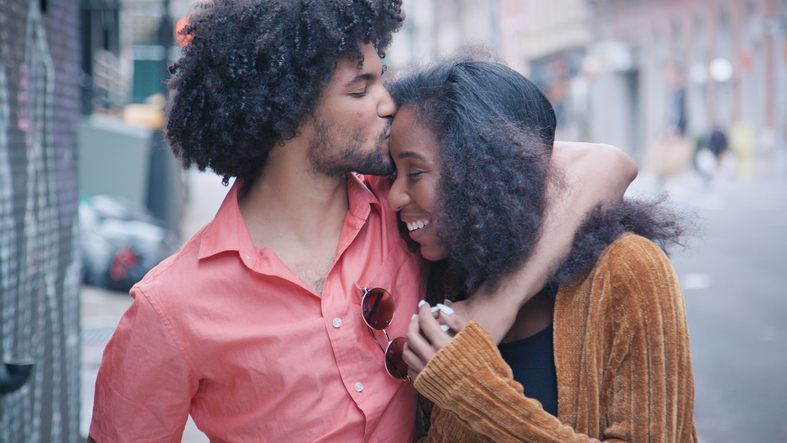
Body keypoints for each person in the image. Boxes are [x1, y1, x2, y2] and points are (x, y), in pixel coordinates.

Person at [87, 1, 637, 441]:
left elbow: (607, 163)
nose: (388, 102)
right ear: (288, 112)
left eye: (382, 78)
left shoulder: (406, 206)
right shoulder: (171, 307)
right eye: (361, 88)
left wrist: (498, 304)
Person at [387, 58, 698, 442]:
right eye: (394, 174)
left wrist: (472, 388)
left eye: (414, 173)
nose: (394, 196)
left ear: (482, 172)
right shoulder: (446, 278)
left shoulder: (628, 270)